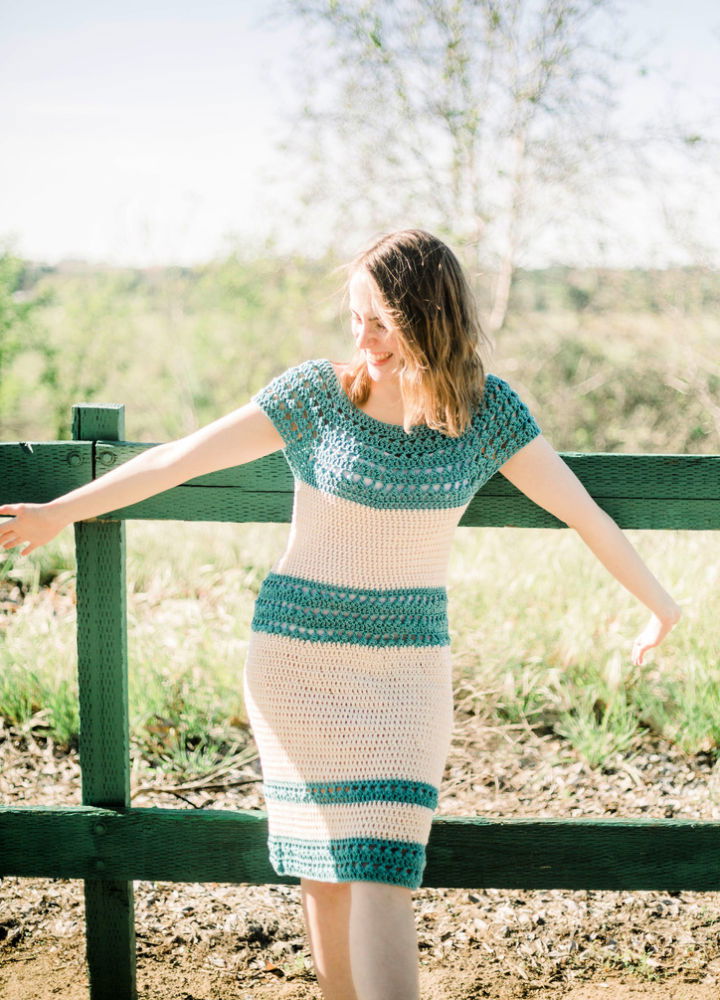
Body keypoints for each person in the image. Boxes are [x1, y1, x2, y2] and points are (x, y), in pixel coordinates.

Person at [0, 228, 682, 1000]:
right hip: (297, 664)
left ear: (434, 316)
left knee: (385, 870)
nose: (364, 337)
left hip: (408, 674)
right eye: (356, 317)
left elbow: (583, 512)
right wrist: (59, 510)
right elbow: (178, 458)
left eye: (383, 320)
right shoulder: (315, 395)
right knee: (323, 876)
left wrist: (659, 604)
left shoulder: (487, 413)